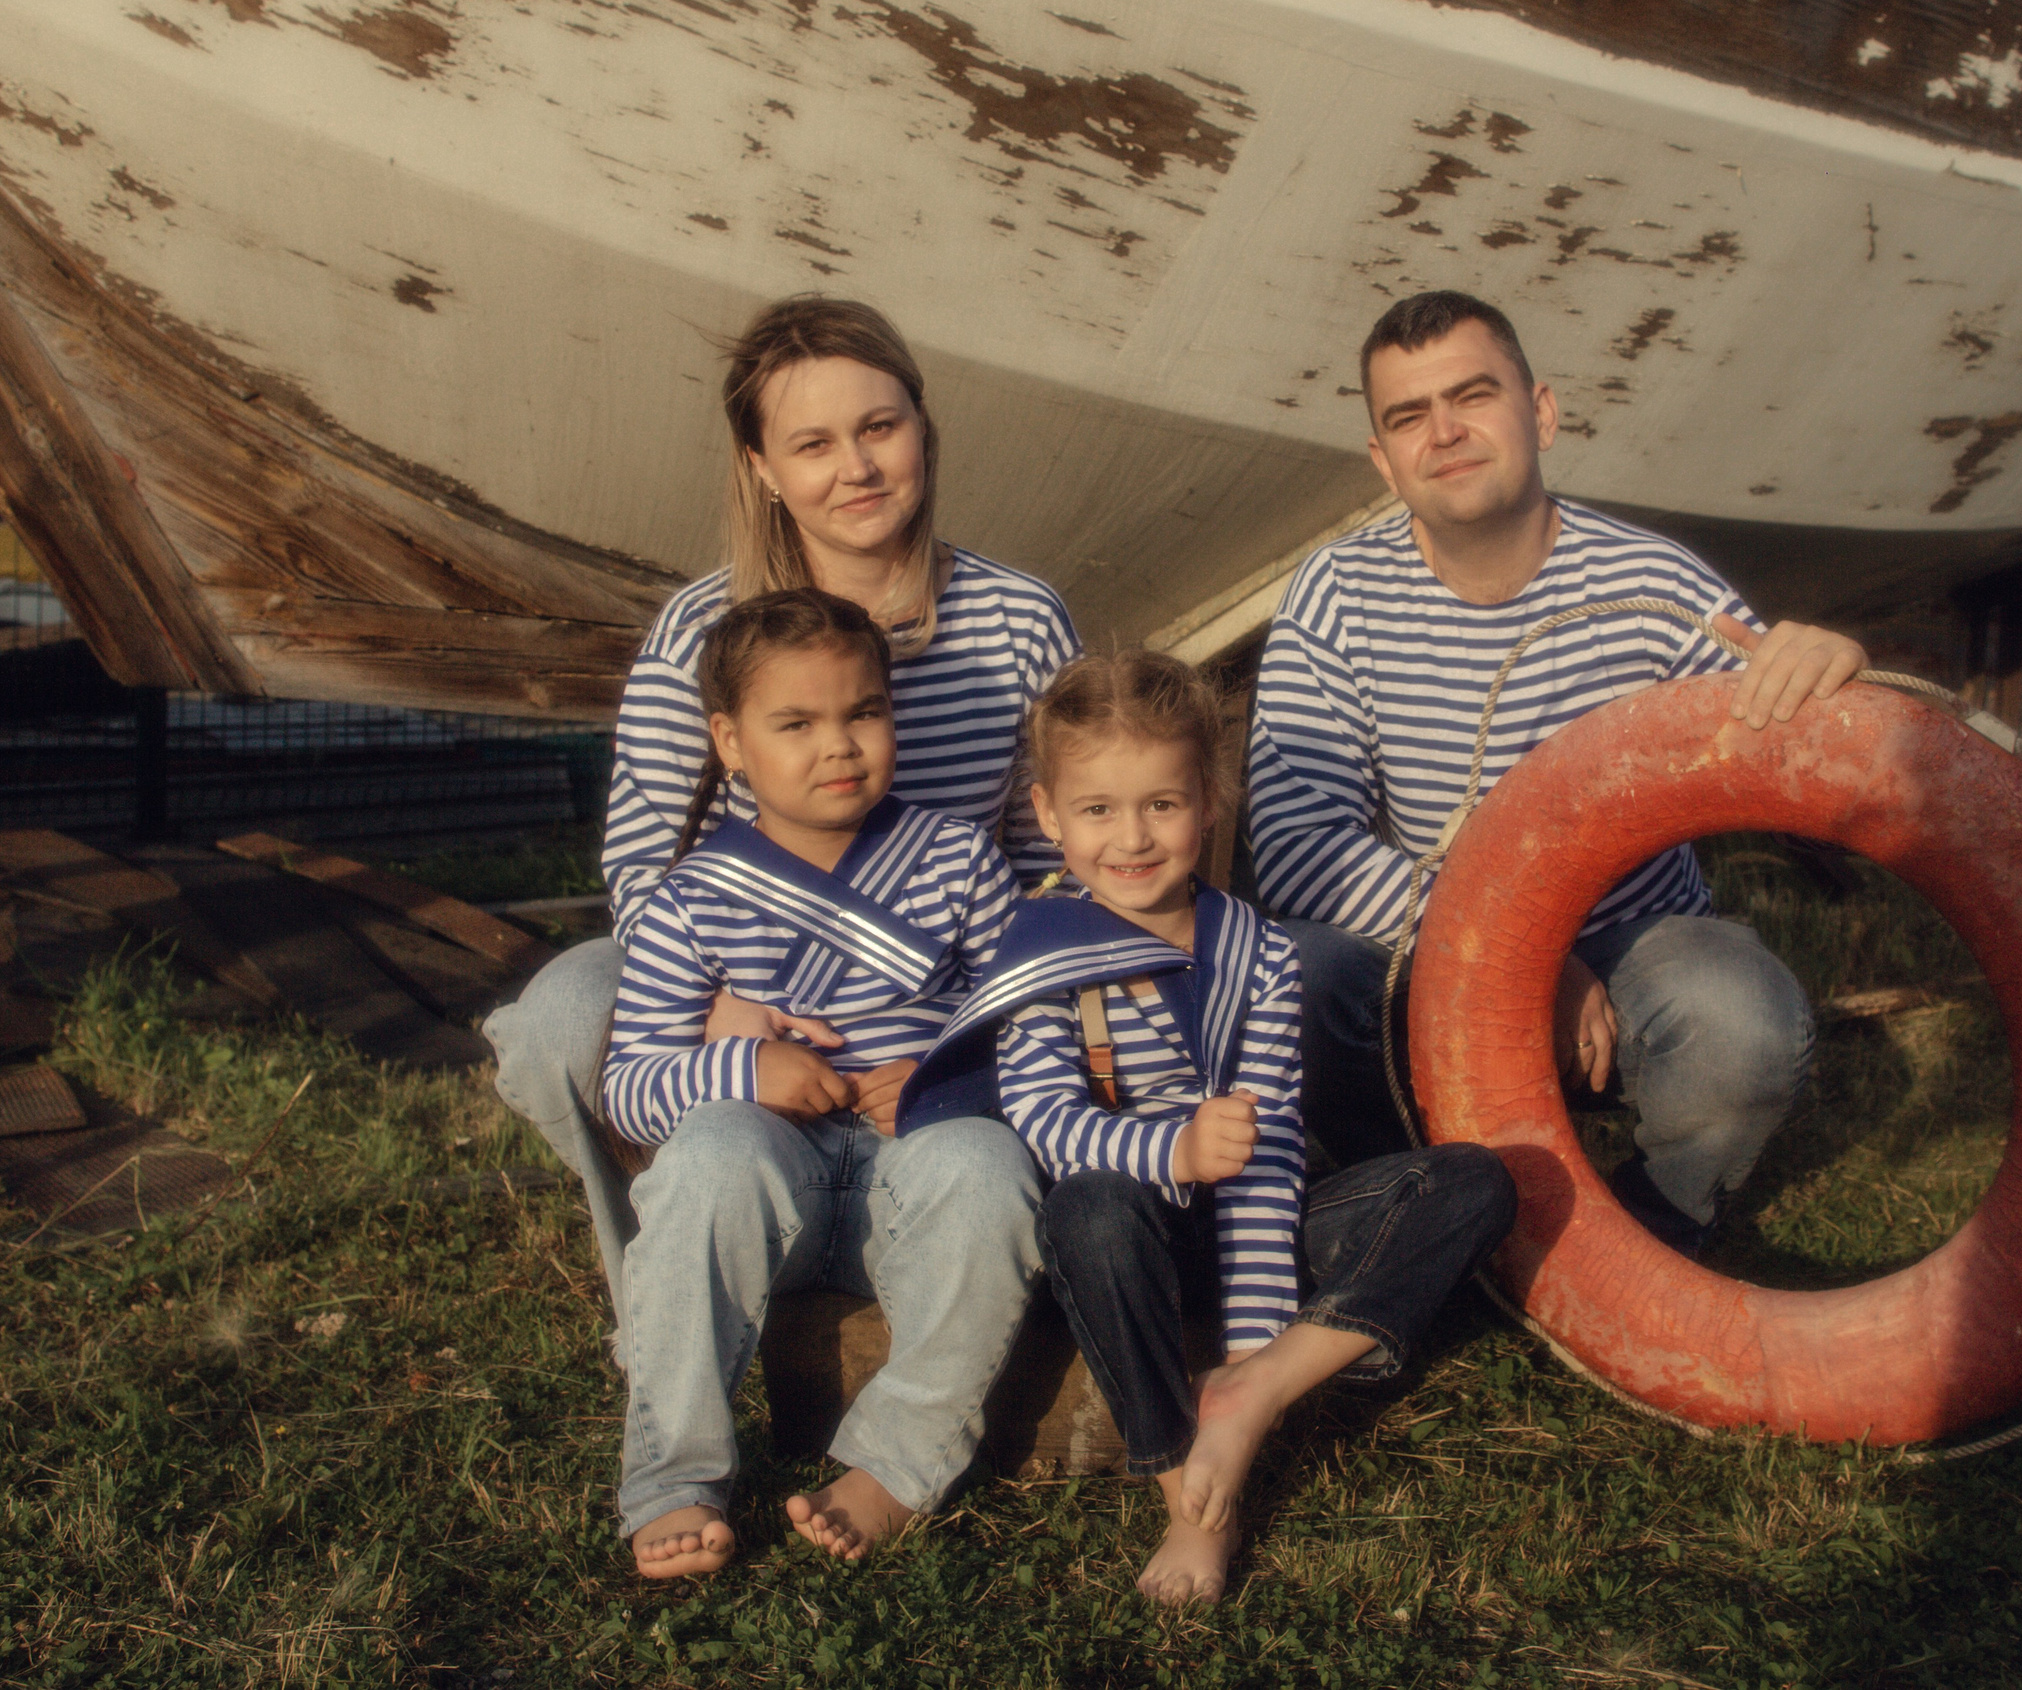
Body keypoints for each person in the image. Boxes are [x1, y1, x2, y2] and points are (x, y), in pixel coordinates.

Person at [483, 296, 1080, 1326]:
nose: (854, 466)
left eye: (878, 428)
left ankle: (944, 1248)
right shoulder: (702, 625)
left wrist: (965, 1028)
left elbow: (1049, 864)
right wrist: (705, 996)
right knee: (561, 1020)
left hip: (932, 968)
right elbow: (640, 847)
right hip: (740, 966)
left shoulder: (1017, 619)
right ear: (762, 466)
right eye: (812, 443)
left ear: (922, 433)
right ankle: (672, 1294)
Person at [1249, 289, 1867, 1255]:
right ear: (1382, 458)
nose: (1444, 433)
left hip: (1630, 943)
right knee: (1293, 972)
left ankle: (1645, 1236)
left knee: (1742, 1023)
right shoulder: (1336, 593)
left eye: (1472, 396)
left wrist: (1826, 675)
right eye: (1409, 417)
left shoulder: (1654, 585)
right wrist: (1517, 952)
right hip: (1429, 951)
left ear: (1541, 411)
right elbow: (1294, 849)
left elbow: (1801, 743)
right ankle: (1421, 1208)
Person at [898, 650, 1513, 1604]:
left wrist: (1250, 1358)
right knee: (1092, 1206)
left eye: (1163, 804)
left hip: (1249, 1229)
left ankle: (1254, 1393)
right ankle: (1177, 1483)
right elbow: (1044, 1124)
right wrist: (1172, 1148)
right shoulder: (1040, 950)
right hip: (1119, 1245)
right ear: (1050, 815)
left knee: (1472, 1181)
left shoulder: (1258, 952)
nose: (1133, 838)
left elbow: (1264, 1164)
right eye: (1098, 810)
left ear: (1209, 801)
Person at [604, 588, 1037, 1579]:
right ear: (729, 740)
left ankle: (896, 1458)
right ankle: (674, 1473)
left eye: (864, 712)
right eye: (795, 722)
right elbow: (631, 1085)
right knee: (708, 1151)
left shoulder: (958, 859)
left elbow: (1033, 1020)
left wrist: (948, 1078)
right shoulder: (691, 898)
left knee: (990, 1167)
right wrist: (745, 1067)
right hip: (771, 1189)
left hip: (911, 1174)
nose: (838, 745)